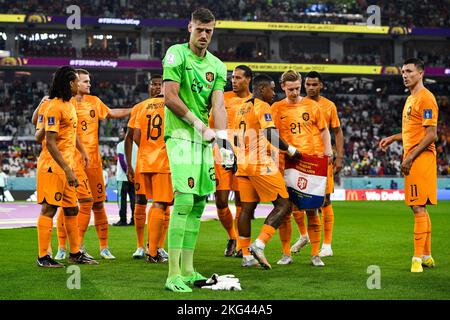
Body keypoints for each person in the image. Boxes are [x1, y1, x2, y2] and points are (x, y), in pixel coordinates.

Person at [162, 8, 234, 292]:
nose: (204, 35)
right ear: (189, 27)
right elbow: (169, 96)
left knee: (198, 204)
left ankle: (189, 270)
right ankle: (172, 274)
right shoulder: (176, 54)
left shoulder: (217, 65)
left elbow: (218, 105)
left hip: (203, 140)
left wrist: (224, 141)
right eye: (199, 30)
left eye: (209, 31)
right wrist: (197, 124)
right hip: (180, 135)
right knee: (183, 201)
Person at [55, 68, 132, 261]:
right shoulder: (65, 103)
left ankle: (104, 247)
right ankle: (66, 247)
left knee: (98, 204)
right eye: (85, 81)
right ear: (74, 83)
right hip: (73, 161)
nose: (89, 84)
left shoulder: (95, 102)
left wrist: (135, 109)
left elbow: (112, 113)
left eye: (89, 81)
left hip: (94, 161)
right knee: (70, 204)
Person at [234, 73, 300, 270]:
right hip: (260, 163)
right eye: (272, 89)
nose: (274, 93)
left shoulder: (242, 107)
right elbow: (270, 132)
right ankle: (259, 244)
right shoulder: (263, 106)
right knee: (284, 205)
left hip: (243, 164)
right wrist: (290, 149)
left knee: (246, 209)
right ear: (262, 89)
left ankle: (246, 255)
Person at [380, 58, 438, 273]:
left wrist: (410, 157)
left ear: (420, 73)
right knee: (420, 205)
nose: (405, 75)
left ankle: (416, 260)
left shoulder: (426, 99)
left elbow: (431, 135)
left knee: (417, 207)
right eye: (403, 71)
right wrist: (394, 138)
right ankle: (427, 256)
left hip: (420, 157)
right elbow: (413, 132)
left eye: (409, 71)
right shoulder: (410, 99)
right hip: (414, 155)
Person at [35, 66, 97, 267]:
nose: (80, 84)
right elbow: (50, 142)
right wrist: (68, 170)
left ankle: (75, 252)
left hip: (67, 166)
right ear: (70, 83)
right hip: (53, 167)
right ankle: (43, 257)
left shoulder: (69, 105)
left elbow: (72, 133)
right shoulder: (54, 107)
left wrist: (82, 153)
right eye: (77, 81)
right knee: (49, 209)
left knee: (72, 209)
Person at [272, 70, 333, 266]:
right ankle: (286, 254)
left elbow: (324, 131)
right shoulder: (276, 108)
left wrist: (328, 151)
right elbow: (271, 135)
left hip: (309, 163)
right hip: (286, 164)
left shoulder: (312, 106)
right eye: (290, 89)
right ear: (283, 87)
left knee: (312, 209)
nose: (295, 92)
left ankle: (315, 254)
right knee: (285, 210)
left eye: (298, 88)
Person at [292, 71, 344, 258]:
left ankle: (327, 245)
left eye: (315, 84)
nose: (311, 87)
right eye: (308, 84)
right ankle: (303, 235)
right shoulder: (297, 104)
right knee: (295, 201)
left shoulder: (329, 106)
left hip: (322, 160)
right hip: (301, 159)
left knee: (325, 200)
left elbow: (337, 132)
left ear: (321, 85)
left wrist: (339, 157)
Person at [209, 65, 252, 257]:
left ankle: (242, 244)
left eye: (238, 77)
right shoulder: (222, 98)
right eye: (232, 77)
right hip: (221, 153)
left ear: (248, 79)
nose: (233, 81)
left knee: (243, 202)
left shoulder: (254, 101)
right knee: (221, 201)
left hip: (244, 156)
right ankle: (232, 236)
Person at [125, 75, 170, 259]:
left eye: (160, 84)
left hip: (144, 161)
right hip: (162, 161)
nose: (157, 87)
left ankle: (155, 246)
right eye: (154, 84)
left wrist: (146, 147)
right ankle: (149, 248)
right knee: (158, 203)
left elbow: (134, 136)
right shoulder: (171, 105)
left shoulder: (140, 108)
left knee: (150, 203)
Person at [114, 126, 137, 226]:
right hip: (134, 176)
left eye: (121, 131)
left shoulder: (121, 144)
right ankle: (134, 220)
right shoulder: (136, 145)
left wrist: (128, 172)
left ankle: (123, 220)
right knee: (134, 199)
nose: (120, 133)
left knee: (121, 199)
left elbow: (122, 160)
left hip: (123, 177)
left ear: (126, 132)